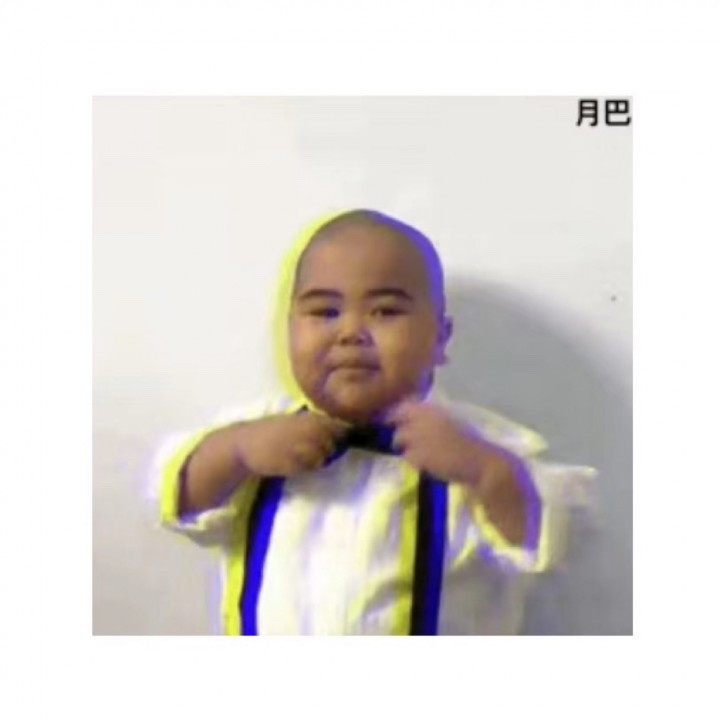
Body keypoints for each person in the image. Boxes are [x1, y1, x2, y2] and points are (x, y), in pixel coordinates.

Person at [150, 209, 596, 635]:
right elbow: (174, 498)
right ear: (288, 330)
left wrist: (485, 471)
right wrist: (235, 452)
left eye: (385, 312)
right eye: (324, 312)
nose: (350, 333)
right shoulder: (253, 436)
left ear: (440, 338)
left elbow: (560, 537)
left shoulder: (478, 445)